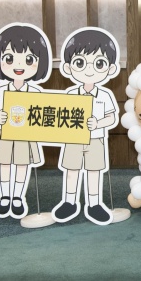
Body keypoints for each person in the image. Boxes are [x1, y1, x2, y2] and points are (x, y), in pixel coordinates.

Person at [0, 23, 52, 219]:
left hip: (25, 136)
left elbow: (44, 113)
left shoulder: (35, 91)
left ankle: (18, 197)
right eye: (9, 58)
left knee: (22, 166)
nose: (18, 66)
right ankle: (5, 196)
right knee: (4, 165)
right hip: (4, 133)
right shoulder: (0, 90)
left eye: (29, 59)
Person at [52, 28, 120, 225]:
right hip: (73, 139)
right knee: (71, 170)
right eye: (80, 63)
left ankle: (94, 203)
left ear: (110, 69)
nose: (89, 70)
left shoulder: (105, 95)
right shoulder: (71, 94)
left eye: (99, 63)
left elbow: (111, 117)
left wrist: (98, 123)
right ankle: (69, 201)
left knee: (94, 171)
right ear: (68, 68)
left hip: (96, 140)